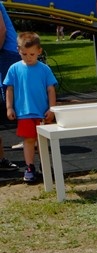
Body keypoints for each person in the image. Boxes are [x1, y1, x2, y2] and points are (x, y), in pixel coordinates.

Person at [4, 32, 58, 184]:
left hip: (42, 112)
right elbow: (9, 89)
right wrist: (9, 107)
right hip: (24, 112)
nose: (28, 57)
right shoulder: (14, 69)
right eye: (24, 54)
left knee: (42, 141)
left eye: (32, 54)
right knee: (28, 140)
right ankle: (29, 167)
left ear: (39, 51)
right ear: (18, 50)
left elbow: (51, 89)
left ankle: (45, 166)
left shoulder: (44, 69)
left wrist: (52, 109)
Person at [0, 3, 19, 172]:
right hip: (6, 51)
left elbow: (1, 30)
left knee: (12, 98)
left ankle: (32, 138)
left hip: (6, 52)